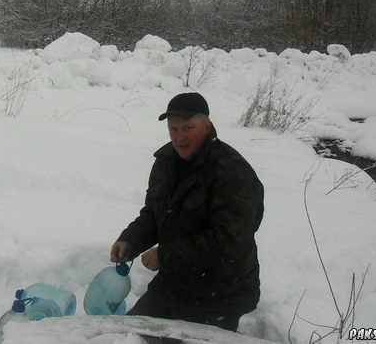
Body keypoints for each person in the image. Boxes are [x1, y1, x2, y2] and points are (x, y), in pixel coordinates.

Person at [110, 92, 264, 332]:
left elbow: (229, 241)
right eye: (173, 129)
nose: (180, 137)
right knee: (128, 335)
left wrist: (166, 255)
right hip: (174, 282)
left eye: (188, 127)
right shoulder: (165, 162)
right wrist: (131, 240)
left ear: (208, 126)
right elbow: (154, 213)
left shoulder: (232, 172)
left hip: (220, 295)